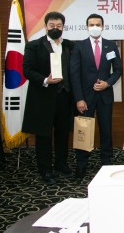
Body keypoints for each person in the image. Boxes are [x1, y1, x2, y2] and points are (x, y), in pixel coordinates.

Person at [22, 11, 74, 185]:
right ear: (45, 26)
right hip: (43, 98)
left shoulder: (70, 46)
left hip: (65, 97)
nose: (55, 28)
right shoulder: (34, 46)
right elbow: (27, 70)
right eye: (52, 25)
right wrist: (45, 80)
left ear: (63, 27)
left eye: (59, 25)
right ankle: (45, 169)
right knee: (44, 136)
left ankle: (61, 164)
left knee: (63, 133)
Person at [70, 13, 123, 179]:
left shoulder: (110, 45)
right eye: (91, 24)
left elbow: (118, 69)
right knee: (84, 130)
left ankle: (106, 161)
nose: (95, 27)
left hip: (105, 95)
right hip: (85, 97)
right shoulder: (79, 46)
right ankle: (81, 164)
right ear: (86, 27)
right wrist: (79, 98)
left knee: (106, 129)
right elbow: (74, 74)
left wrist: (108, 83)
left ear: (103, 26)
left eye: (98, 24)